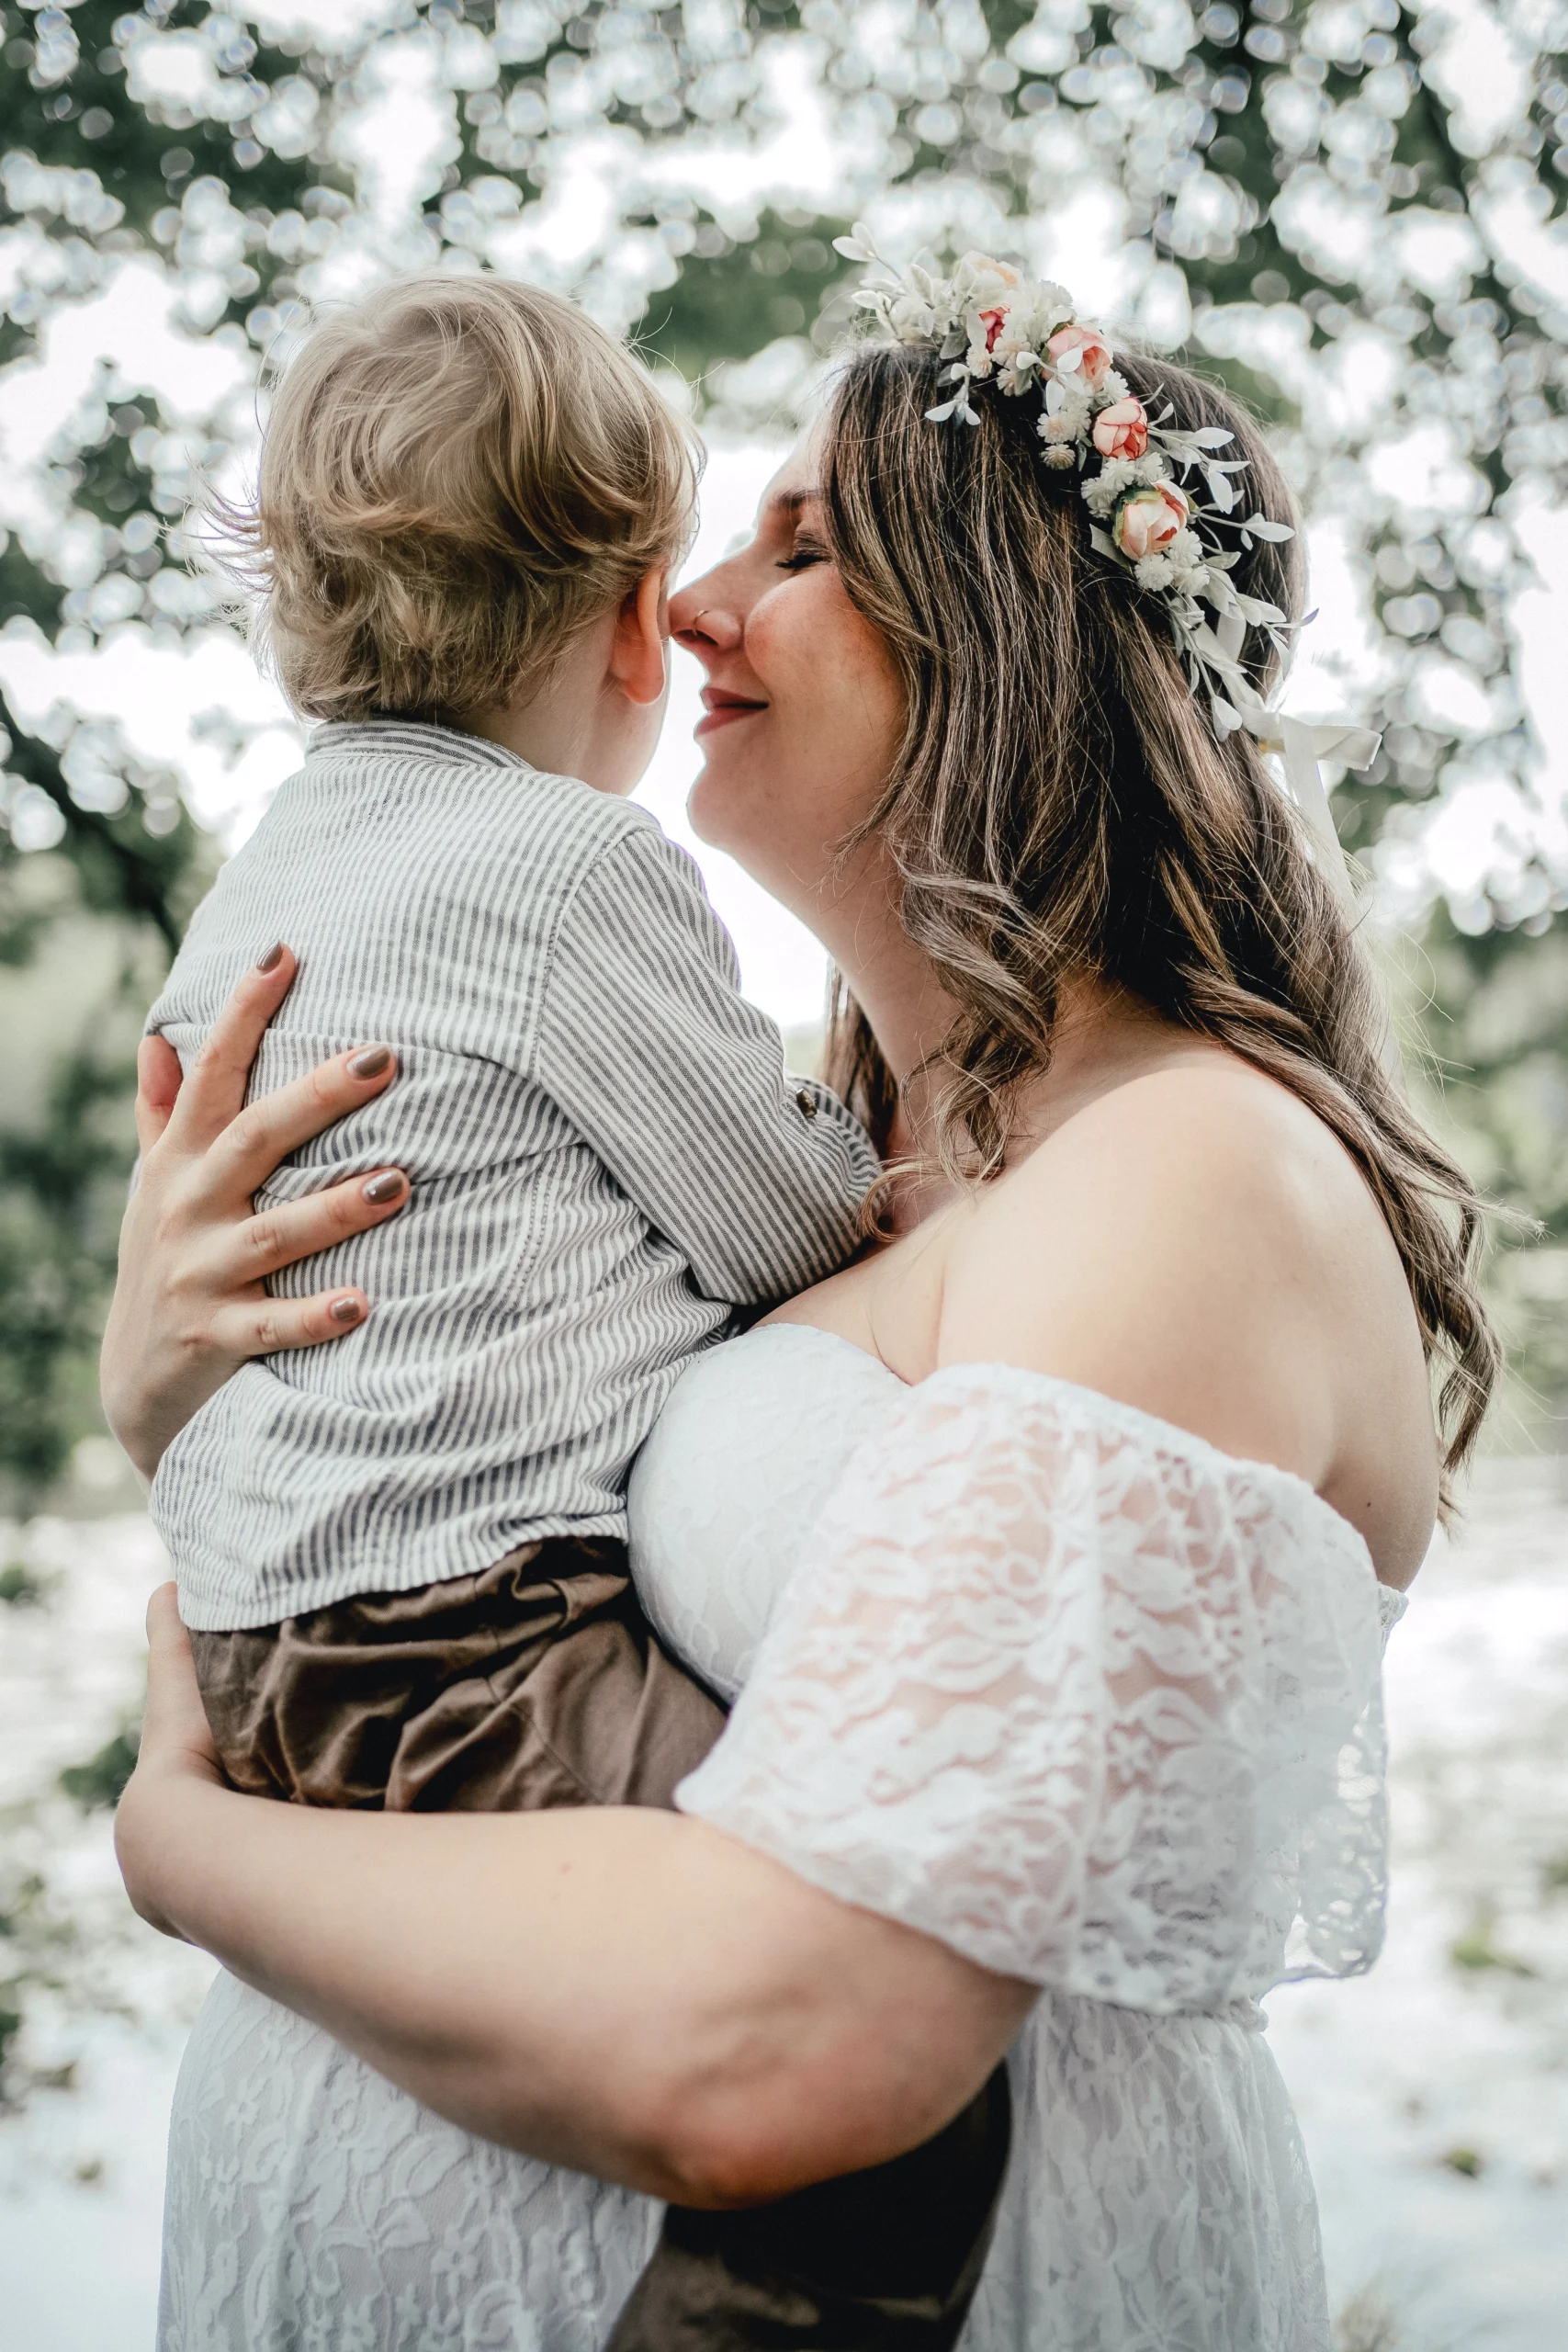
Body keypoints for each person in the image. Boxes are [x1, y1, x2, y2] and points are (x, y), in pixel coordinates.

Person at [110, 252, 1496, 2350]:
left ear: (1008, 627)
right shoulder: (820, 1187)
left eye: (799, 544)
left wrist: (175, 1836)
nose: (675, 606)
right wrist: (167, 1397)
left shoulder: (1184, 1171)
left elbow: (800, 2039)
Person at [140, 267, 1013, 2350]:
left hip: (276, 1635)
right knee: (872, 2087)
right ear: (630, 621)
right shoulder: (561, 870)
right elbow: (776, 1219)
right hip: (465, 1639)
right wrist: (913, 1163)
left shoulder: (274, 867)